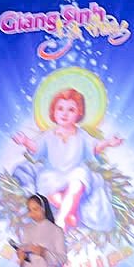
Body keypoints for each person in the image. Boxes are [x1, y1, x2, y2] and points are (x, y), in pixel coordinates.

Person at [12, 87, 122, 232]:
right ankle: (71, 215)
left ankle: (60, 222)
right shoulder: (49, 135)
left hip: (75, 172)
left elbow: (94, 148)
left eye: (71, 110)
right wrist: (25, 141)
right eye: (60, 108)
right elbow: (37, 148)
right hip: (51, 174)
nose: (64, 113)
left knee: (78, 181)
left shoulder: (81, 135)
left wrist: (108, 143)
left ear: (79, 113)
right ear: (53, 111)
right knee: (50, 193)